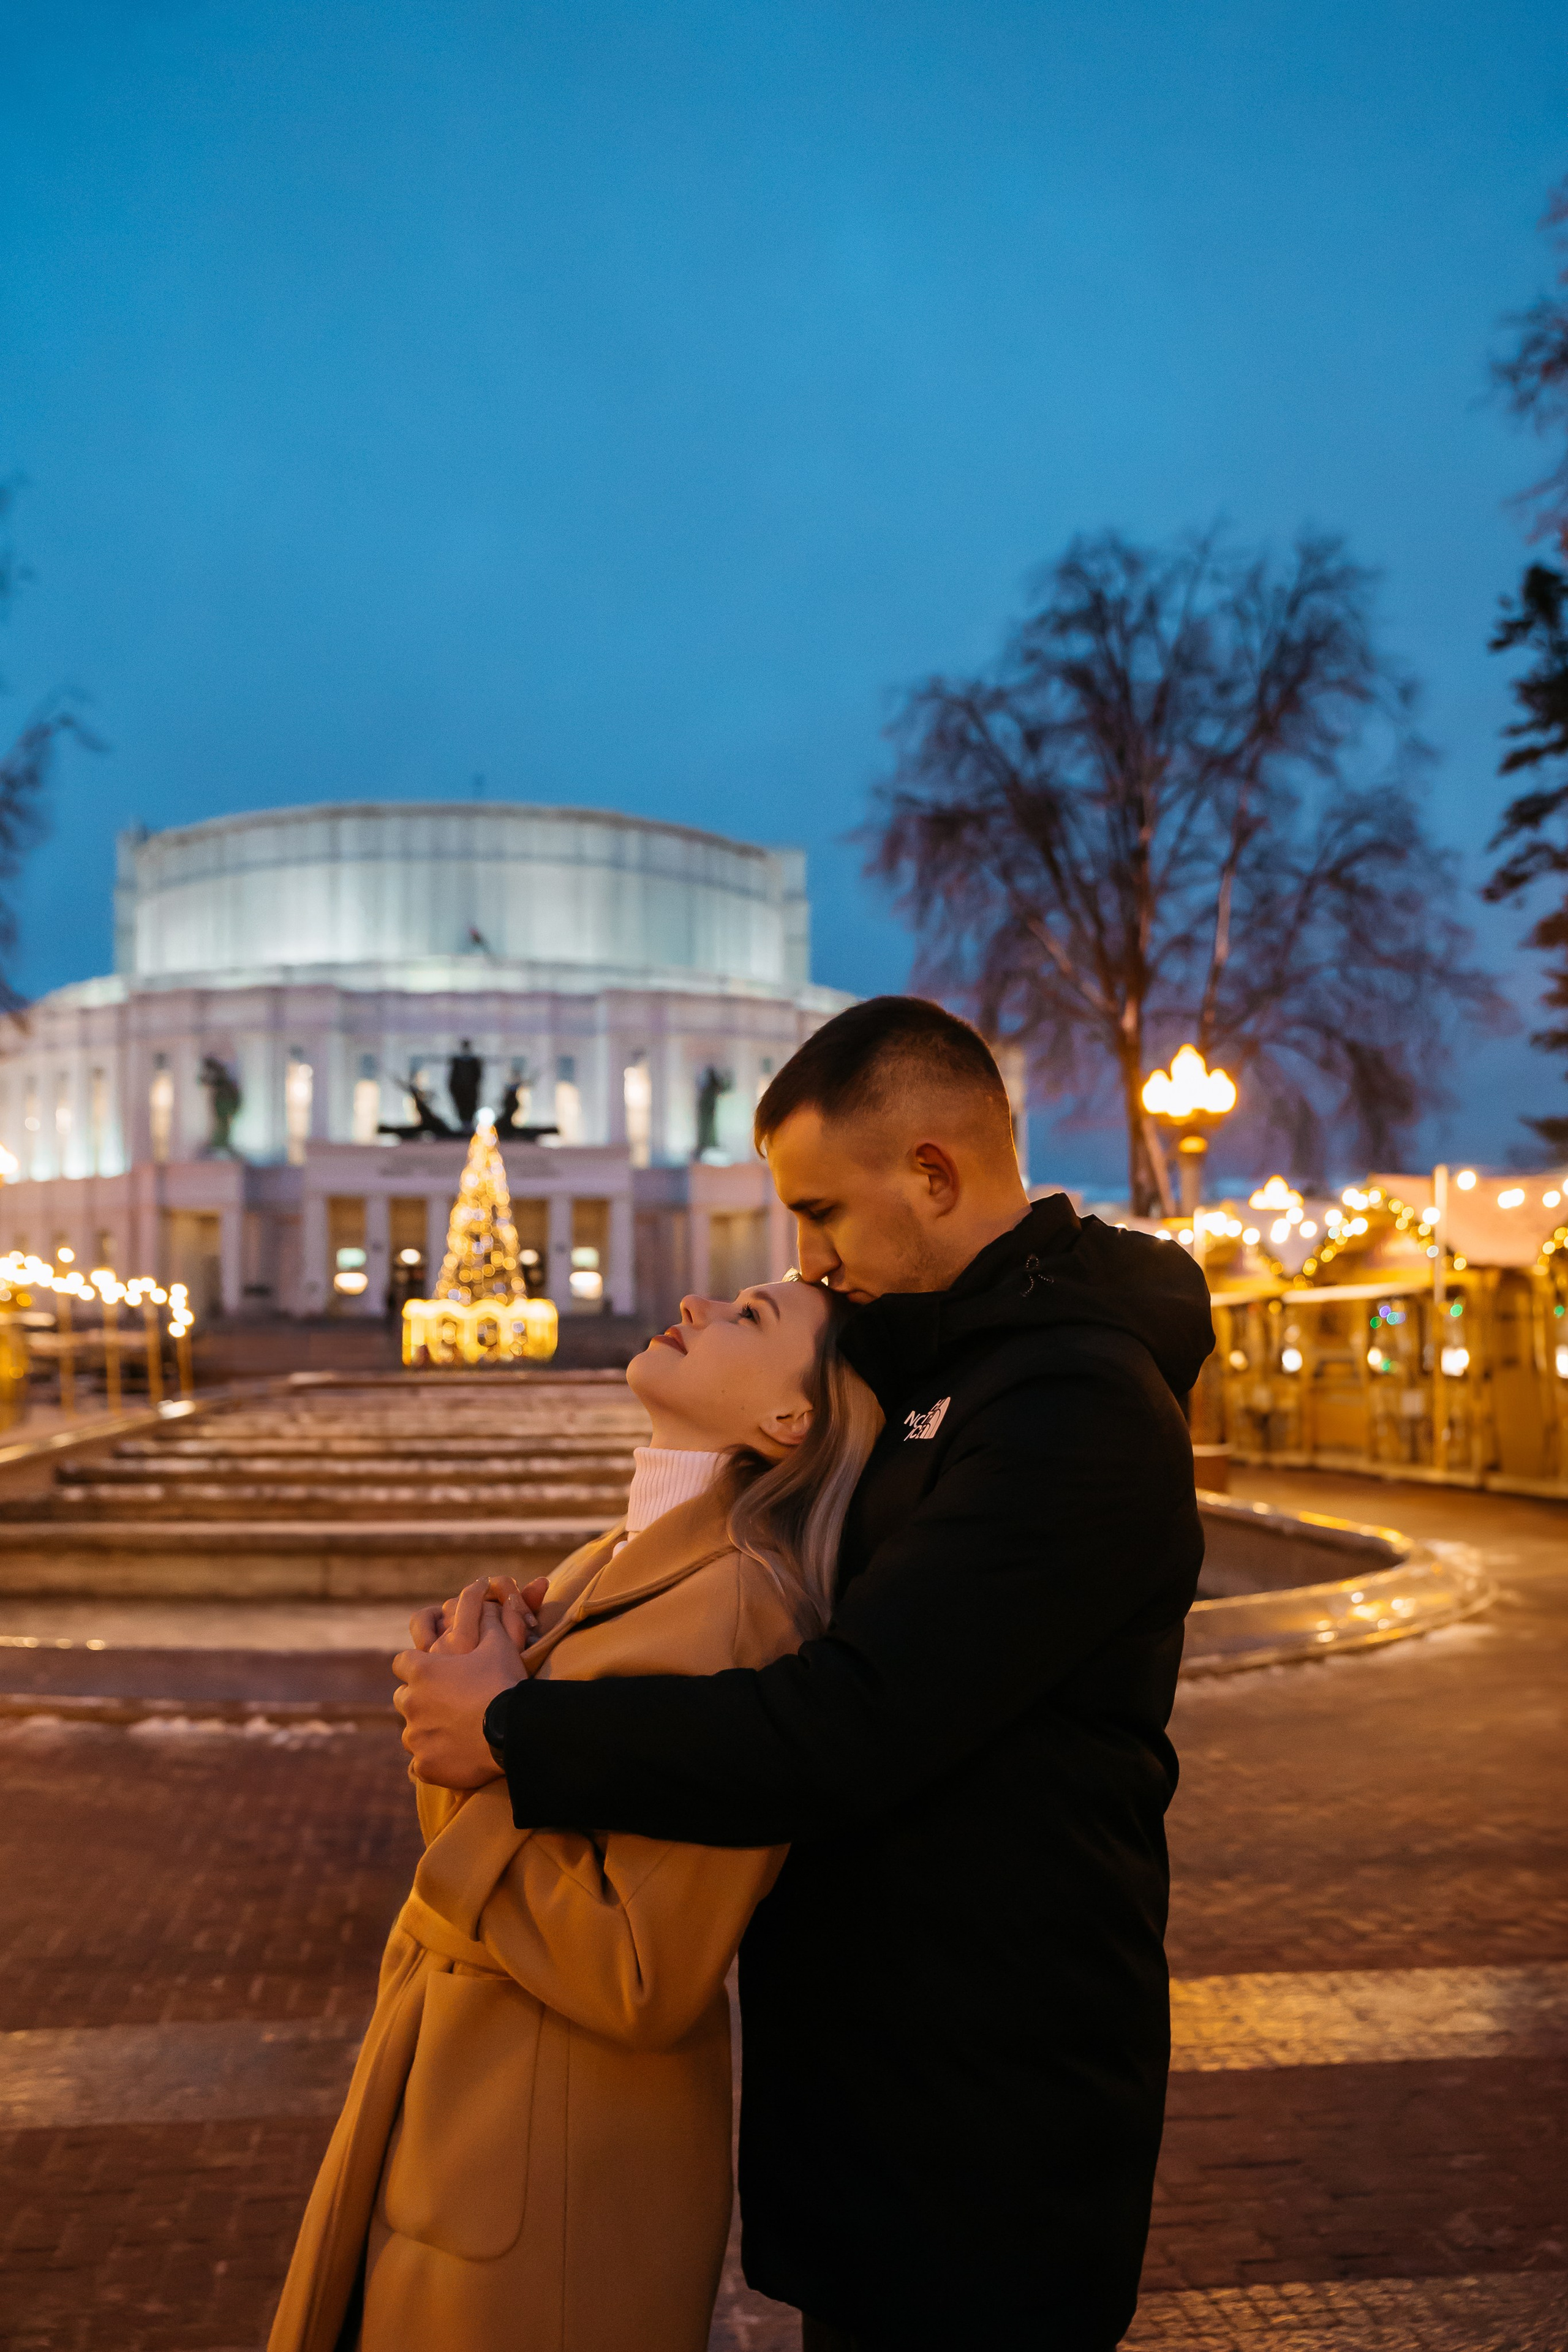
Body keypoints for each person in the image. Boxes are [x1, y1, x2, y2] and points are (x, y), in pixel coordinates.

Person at [397, 996, 1215, 2352]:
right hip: (885, 2080)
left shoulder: (1070, 1405)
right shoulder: (938, 1362)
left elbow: (854, 1720)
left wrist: (517, 1732)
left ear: (933, 1175)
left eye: (820, 1213)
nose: (808, 1262)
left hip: (990, 2096)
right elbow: (761, 1511)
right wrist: (572, 1603)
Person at [268, 1273, 881, 2352]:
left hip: (552, 2149)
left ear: (790, 1421)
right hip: (477, 2110)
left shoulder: (744, 1601)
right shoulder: (610, 1559)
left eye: (750, 1317)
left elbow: (640, 1969)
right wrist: (462, 1689)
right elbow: (491, 1796)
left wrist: (484, 1736)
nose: (697, 1304)